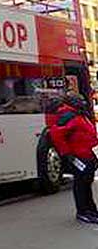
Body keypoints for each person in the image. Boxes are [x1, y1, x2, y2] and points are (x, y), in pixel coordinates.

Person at [48, 93, 98, 223]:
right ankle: (83, 212)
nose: (83, 102)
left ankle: (91, 210)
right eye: (80, 100)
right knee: (81, 185)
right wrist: (66, 153)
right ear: (72, 102)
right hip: (78, 156)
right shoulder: (68, 116)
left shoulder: (80, 114)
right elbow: (56, 135)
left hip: (87, 155)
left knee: (86, 183)